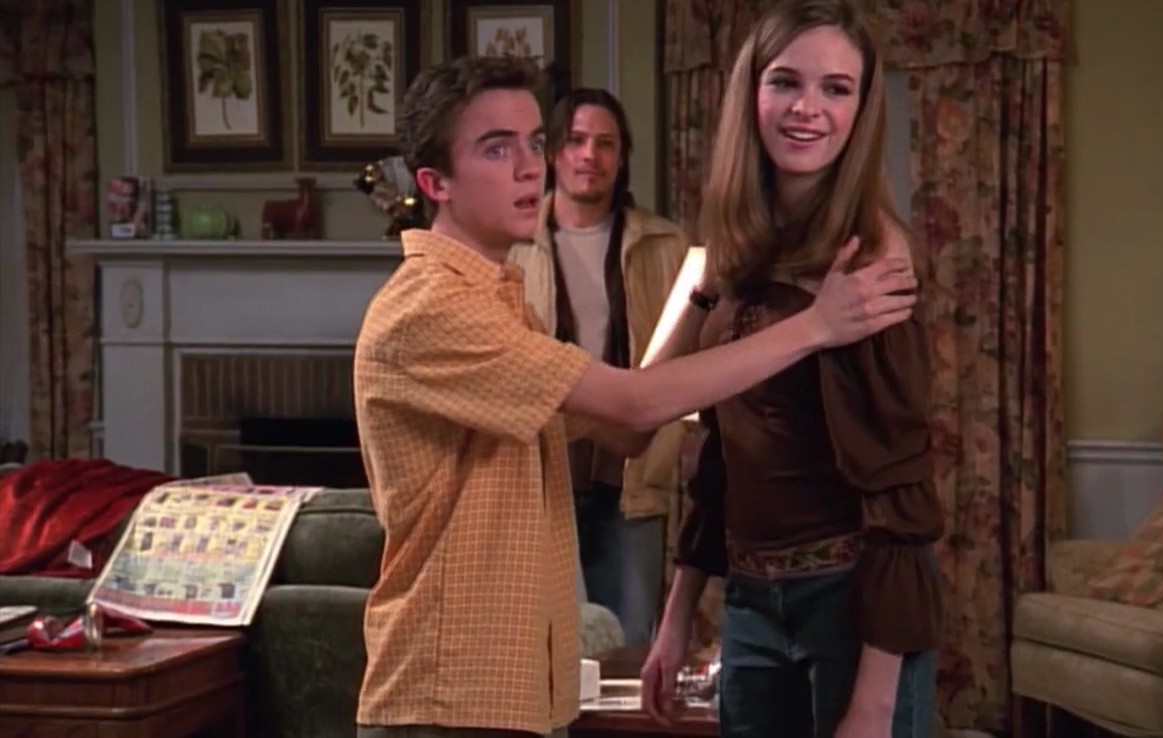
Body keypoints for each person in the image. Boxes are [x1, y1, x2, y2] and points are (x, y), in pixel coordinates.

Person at [352, 54, 919, 738]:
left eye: (534, 143)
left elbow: (625, 434)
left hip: (500, 694)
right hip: (447, 696)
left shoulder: (499, 301)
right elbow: (634, 404)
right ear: (434, 182)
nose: (531, 168)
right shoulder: (432, 308)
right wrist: (817, 325)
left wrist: (705, 293)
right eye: (496, 149)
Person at [639, 1, 944, 737]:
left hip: (849, 603)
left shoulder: (873, 260)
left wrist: (874, 700)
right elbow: (723, 453)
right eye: (786, 82)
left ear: (861, 110)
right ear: (751, 93)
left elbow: (902, 493)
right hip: (750, 603)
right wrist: (677, 615)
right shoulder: (738, 250)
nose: (808, 108)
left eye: (836, 89)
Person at [508, 87, 690, 647]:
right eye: (576, 141)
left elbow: (686, 359)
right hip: (541, 475)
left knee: (628, 644)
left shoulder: (665, 246)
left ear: (622, 155)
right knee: (551, 644)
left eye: (606, 143)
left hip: (633, 477)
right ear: (552, 152)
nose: (590, 155)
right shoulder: (513, 244)